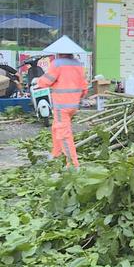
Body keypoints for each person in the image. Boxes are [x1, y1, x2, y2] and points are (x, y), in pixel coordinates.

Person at [36, 36, 88, 169]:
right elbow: (84, 87)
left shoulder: (57, 64)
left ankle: (73, 164)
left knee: (64, 134)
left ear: (59, 52)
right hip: (73, 105)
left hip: (61, 106)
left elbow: (46, 81)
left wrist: (38, 82)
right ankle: (56, 153)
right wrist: (79, 98)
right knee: (56, 127)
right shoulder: (78, 64)